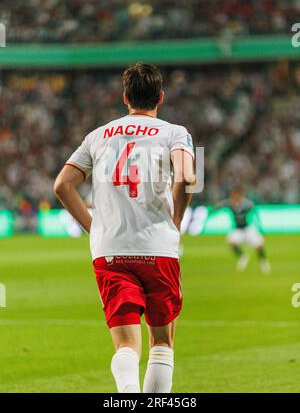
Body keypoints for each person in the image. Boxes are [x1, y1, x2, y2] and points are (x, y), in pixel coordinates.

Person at [54, 63, 195, 393]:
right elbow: (187, 176)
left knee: (125, 346)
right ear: (160, 96)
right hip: (157, 247)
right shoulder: (175, 132)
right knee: (162, 342)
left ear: (124, 97)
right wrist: (176, 218)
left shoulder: (98, 135)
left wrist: (93, 228)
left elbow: (62, 186)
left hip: (109, 249)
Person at [214, 187, 271, 274]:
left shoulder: (247, 204)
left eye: (236, 195)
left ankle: (263, 262)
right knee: (231, 243)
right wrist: (210, 212)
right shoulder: (229, 203)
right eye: (233, 195)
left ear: (240, 195)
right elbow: (218, 206)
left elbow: (255, 214)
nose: (234, 197)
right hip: (237, 229)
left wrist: (260, 228)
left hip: (247, 228)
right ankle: (243, 256)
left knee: (259, 245)